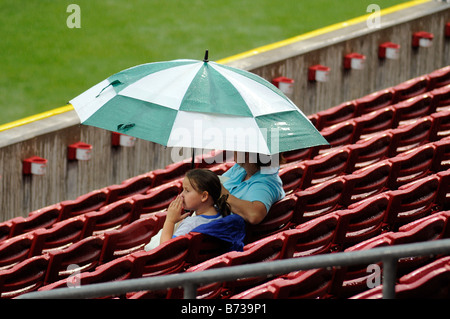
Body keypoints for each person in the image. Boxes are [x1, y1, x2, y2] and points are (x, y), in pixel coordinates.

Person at [159, 168, 231, 244]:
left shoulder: (190, 225)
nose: (181, 195)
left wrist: (170, 221)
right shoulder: (222, 213)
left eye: (187, 191)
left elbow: (164, 249)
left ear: (204, 196)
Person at [220, 151, 286, 225]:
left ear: (247, 153)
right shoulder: (241, 169)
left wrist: (224, 195)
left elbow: (254, 215)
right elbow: (218, 182)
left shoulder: (264, 185)